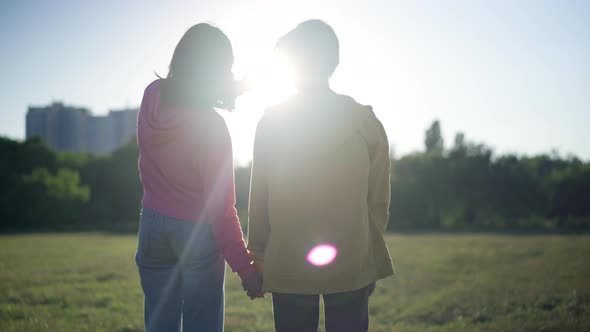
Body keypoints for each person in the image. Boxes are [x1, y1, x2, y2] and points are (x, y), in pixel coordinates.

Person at [247, 19, 395, 332]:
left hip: (287, 262)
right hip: (352, 259)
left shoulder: (272, 122)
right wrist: (368, 251)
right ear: (335, 62)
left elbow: (259, 197)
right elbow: (378, 198)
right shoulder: (364, 122)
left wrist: (258, 254)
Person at [135, 23, 262, 332]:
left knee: (159, 323)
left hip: (150, 223)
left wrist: (237, 89)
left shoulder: (152, 95)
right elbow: (221, 208)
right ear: (216, 72)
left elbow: (186, 95)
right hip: (196, 231)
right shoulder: (212, 128)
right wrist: (246, 269)